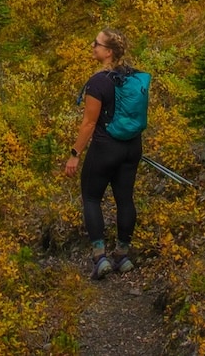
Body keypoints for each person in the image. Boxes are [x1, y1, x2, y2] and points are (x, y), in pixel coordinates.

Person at [59, 28, 145, 279]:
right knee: (125, 198)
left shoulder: (98, 82)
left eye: (96, 44)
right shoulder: (133, 76)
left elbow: (88, 123)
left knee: (92, 197)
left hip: (105, 148)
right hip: (132, 146)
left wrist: (75, 153)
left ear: (108, 52)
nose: (92, 46)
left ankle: (100, 257)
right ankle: (123, 254)